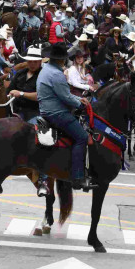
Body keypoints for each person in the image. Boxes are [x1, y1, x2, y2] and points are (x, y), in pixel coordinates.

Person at [36, 42, 95, 190]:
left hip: (46, 110)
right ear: (61, 60)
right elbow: (66, 97)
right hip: (57, 113)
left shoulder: (45, 69)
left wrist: (78, 99)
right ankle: (77, 177)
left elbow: (65, 94)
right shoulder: (57, 74)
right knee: (82, 137)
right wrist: (81, 104)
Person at [7, 47, 43, 121]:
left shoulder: (43, 75)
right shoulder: (20, 73)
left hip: (34, 111)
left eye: (35, 62)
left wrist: (21, 94)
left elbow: (41, 96)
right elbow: (9, 90)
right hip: (15, 110)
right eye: (30, 61)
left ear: (40, 62)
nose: (32, 64)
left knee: (34, 125)